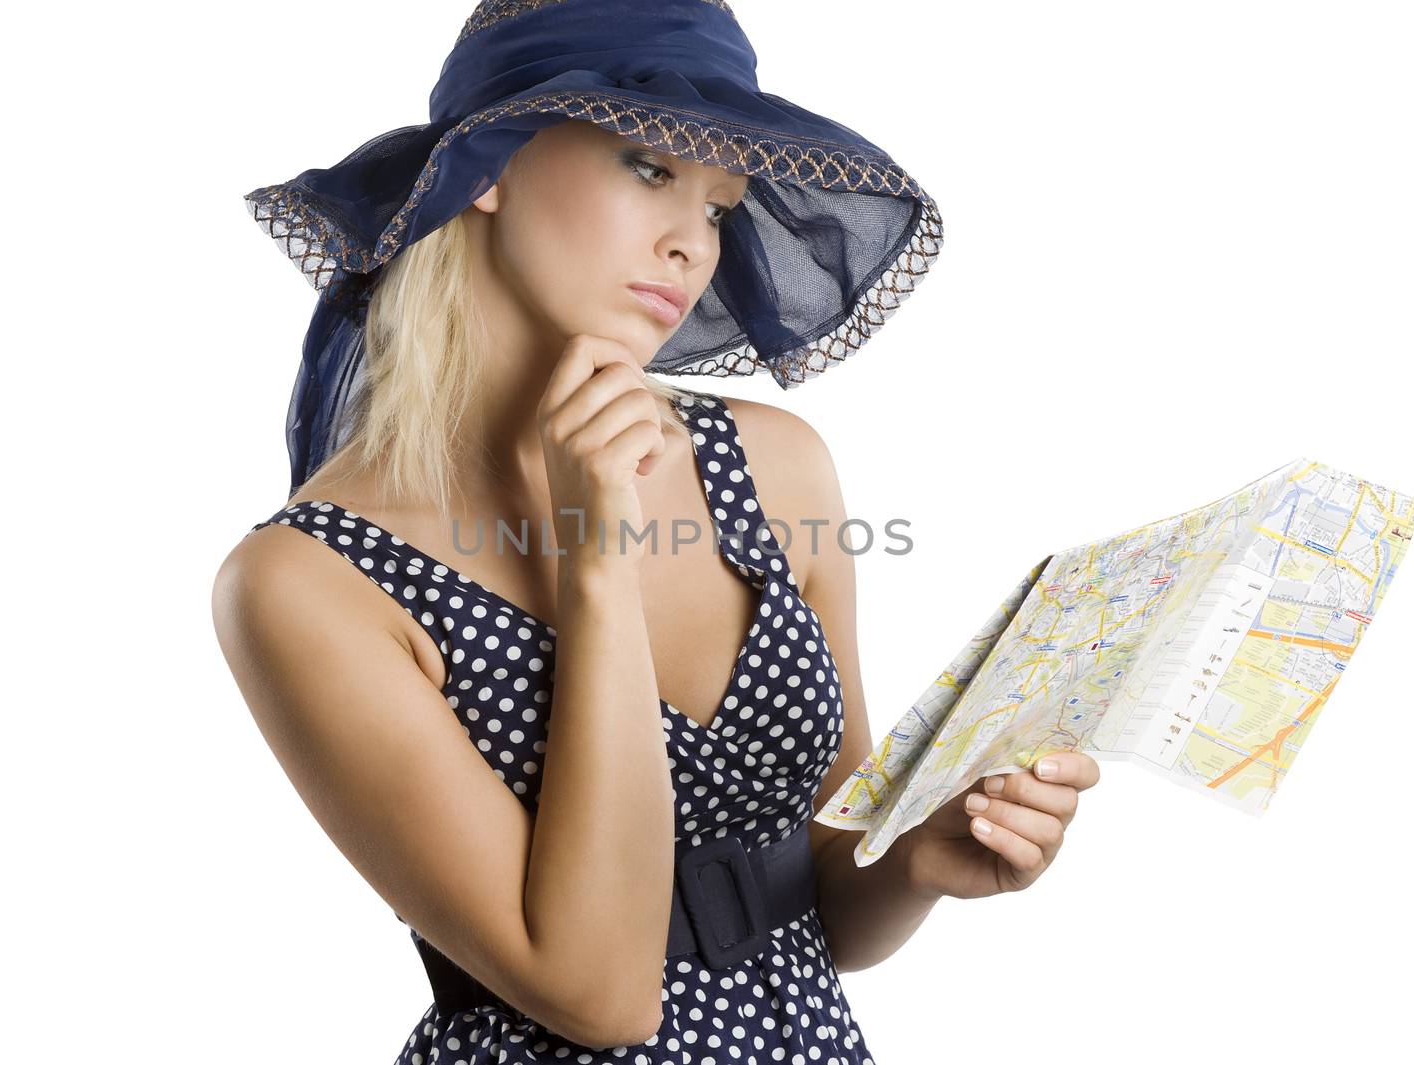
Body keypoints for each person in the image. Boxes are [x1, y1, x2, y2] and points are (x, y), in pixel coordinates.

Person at [212, 3, 1099, 1062]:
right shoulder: (309, 582)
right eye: (647, 168)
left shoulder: (774, 467)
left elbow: (828, 906)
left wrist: (919, 859)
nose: (690, 243)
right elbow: (600, 996)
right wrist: (598, 569)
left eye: (721, 205)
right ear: (487, 165)